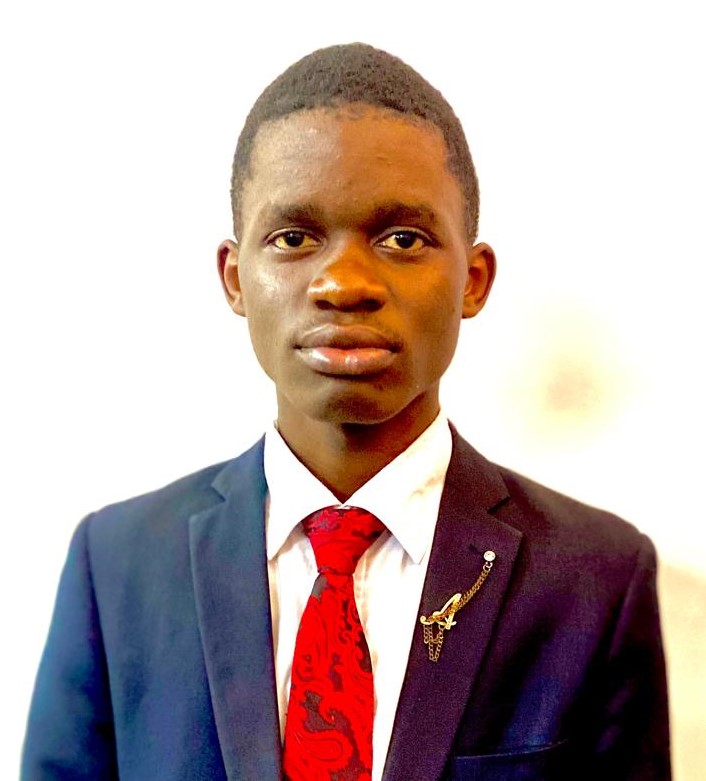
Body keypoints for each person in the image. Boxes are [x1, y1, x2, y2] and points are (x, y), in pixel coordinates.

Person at [22, 43, 670, 780]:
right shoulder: (117, 566)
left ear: (473, 279)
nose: (343, 283)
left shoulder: (595, 579)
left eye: (402, 239)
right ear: (235, 279)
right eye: (294, 238)